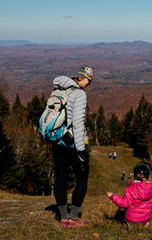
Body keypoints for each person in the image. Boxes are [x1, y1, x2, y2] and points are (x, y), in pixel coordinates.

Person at [51, 63, 93, 228]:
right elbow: (77, 123)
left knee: (60, 179)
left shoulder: (58, 89)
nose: (89, 84)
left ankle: (62, 217)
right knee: (82, 178)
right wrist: (81, 150)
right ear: (83, 79)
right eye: (89, 81)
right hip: (72, 144)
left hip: (57, 141)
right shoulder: (79, 94)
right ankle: (73, 218)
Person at [107, 162, 152, 227]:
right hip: (145, 219)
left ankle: (130, 225)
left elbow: (123, 203)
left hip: (132, 220)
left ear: (133, 175)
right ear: (149, 176)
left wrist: (113, 197)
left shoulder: (130, 189)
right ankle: (144, 224)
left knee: (123, 223)